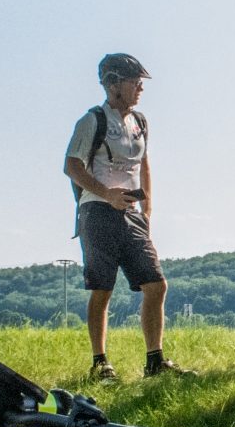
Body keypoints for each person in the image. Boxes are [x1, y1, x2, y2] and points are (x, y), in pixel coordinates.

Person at [63, 53, 192, 380]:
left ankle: (155, 360)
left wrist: (147, 208)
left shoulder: (140, 122)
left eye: (141, 83)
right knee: (102, 288)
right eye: (134, 82)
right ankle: (100, 362)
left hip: (132, 214)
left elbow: (144, 164)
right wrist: (106, 193)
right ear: (112, 83)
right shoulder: (92, 120)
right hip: (97, 212)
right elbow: (72, 166)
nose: (140, 89)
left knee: (156, 284)